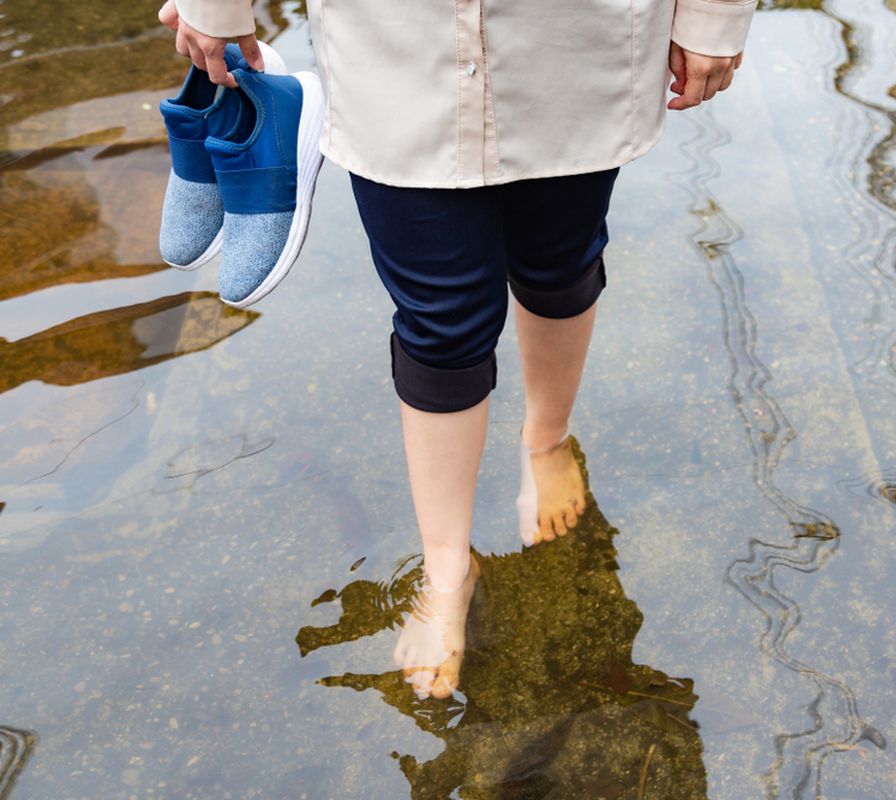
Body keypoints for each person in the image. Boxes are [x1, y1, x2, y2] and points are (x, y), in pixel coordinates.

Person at [159, 0, 754, 700]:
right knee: (440, 315)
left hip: (577, 36)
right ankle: (446, 571)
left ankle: (546, 439)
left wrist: (714, 15)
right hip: (393, 42)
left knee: (559, 259)